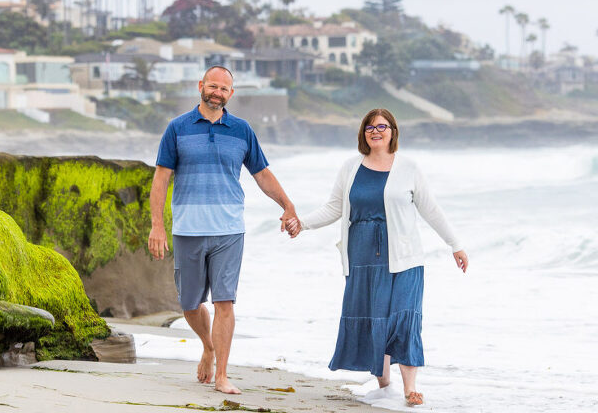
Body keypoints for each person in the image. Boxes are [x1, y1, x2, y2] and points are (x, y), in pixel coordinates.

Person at [285, 108, 469, 407]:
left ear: (393, 132)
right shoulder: (350, 168)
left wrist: (455, 244)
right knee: (375, 319)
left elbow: (431, 210)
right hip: (362, 257)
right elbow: (334, 208)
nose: (376, 131)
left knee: (404, 318)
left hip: (405, 258)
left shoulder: (409, 168)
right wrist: (301, 223)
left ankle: (411, 389)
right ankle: (385, 385)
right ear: (363, 133)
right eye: (370, 127)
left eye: (382, 127)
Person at [148, 65, 297, 395]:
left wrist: (287, 205)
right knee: (189, 304)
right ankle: (208, 346)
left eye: (224, 89)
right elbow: (161, 178)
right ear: (201, 86)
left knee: (225, 303)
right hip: (187, 229)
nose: (217, 92)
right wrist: (157, 225)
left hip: (229, 230)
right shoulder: (177, 128)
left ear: (231, 94)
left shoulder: (242, 130)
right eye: (212, 86)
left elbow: (262, 174)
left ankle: (222, 375)